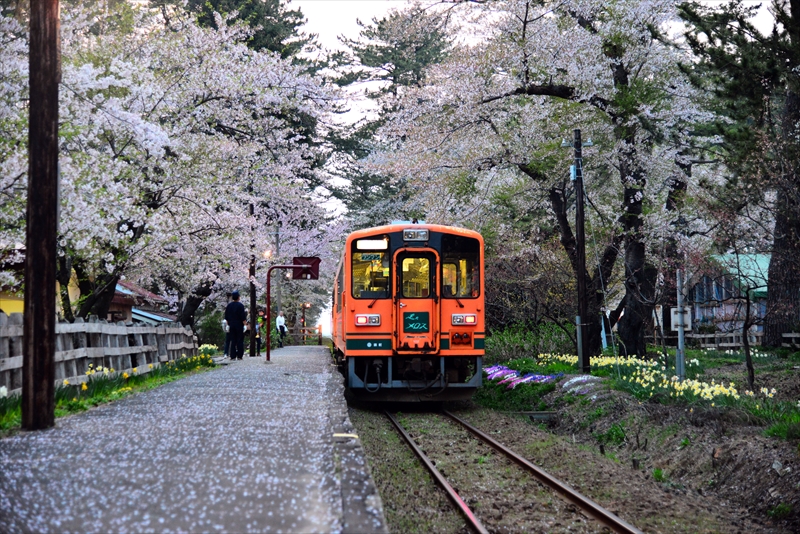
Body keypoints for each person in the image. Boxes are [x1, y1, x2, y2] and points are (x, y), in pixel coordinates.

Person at [224, 290, 247, 360]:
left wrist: (228, 325)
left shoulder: (229, 306)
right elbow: (243, 317)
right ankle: (240, 355)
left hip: (231, 325)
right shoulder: (240, 306)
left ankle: (232, 355)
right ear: (238, 297)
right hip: (239, 325)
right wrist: (245, 325)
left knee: (233, 340)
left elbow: (226, 317)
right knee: (240, 340)